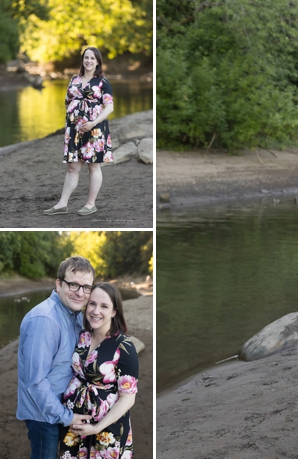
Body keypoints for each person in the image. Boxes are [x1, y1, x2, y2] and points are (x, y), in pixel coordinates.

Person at [17, 256, 94, 459]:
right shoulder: (45, 320)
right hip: (43, 415)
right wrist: (67, 417)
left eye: (86, 287)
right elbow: (35, 382)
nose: (80, 293)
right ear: (58, 284)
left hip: (61, 408)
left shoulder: (75, 314)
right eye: (73, 284)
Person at [60, 282, 138, 458]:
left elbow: (128, 398)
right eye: (92, 304)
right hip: (75, 423)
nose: (96, 311)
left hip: (106, 429)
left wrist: (96, 427)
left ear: (114, 311)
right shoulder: (83, 337)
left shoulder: (124, 347)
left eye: (104, 306)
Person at [44, 46, 115, 216]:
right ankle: (62, 204)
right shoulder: (74, 80)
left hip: (95, 129)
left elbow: (109, 107)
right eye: (86, 58)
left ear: (98, 62)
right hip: (75, 130)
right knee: (72, 168)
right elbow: (67, 101)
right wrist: (74, 120)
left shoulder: (102, 82)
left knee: (93, 167)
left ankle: (90, 204)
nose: (89, 61)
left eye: (92, 58)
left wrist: (92, 123)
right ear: (83, 60)